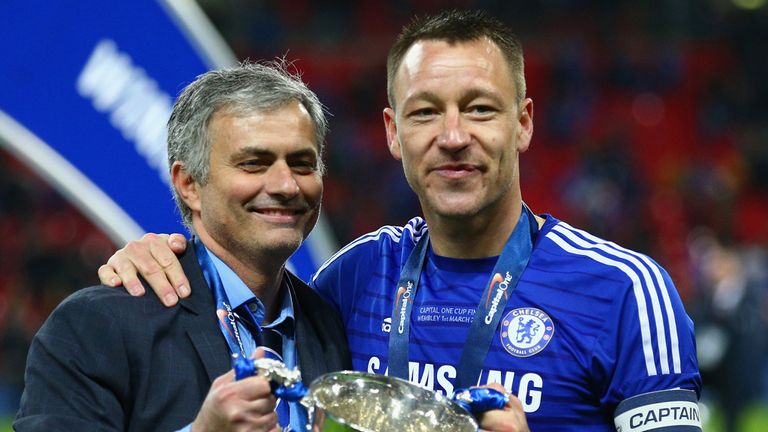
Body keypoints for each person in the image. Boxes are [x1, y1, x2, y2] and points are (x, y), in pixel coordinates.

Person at [97, 10, 702, 431]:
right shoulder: (353, 278)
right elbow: (241, 291)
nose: (454, 137)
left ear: (523, 123)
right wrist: (162, 252)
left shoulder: (624, 291)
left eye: (480, 109)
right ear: (392, 133)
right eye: (425, 113)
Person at [15, 61, 351, 432]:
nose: (287, 185)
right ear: (189, 184)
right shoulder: (98, 325)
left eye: (303, 164)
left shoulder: (333, 326)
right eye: (254, 163)